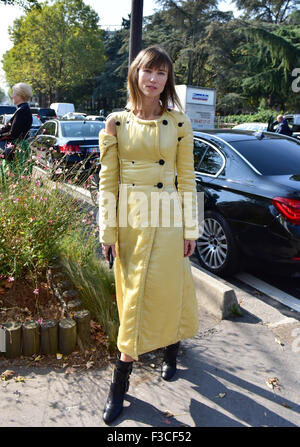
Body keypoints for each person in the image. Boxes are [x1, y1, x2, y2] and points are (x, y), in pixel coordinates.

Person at [98, 45, 199, 425]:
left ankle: (172, 349)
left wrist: (193, 227)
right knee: (135, 294)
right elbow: (107, 182)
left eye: (161, 73)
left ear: (167, 80)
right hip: (131, 219)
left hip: (170, 216)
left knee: (169, 287)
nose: (154, 79)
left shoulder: (179, 123)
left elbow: (187, 177)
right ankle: (119, 383)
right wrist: (107, 231)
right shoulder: (116, 123)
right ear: (135, 75)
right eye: (147, 71)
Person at [0, 82, 33, 158]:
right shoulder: (24, 109)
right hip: (19, 146)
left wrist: (1, 135)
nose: (12, 96)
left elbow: (13, 133)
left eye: (14, 93)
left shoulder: (22, 110)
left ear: (20, 95)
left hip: (16, 147)